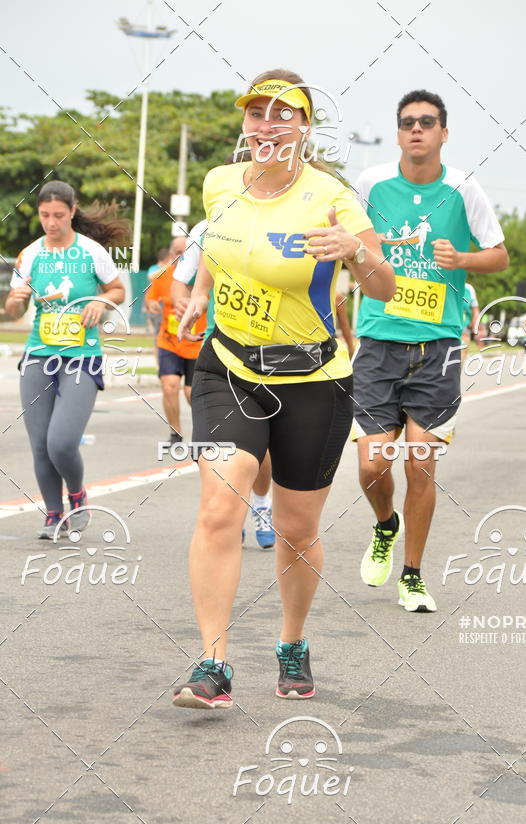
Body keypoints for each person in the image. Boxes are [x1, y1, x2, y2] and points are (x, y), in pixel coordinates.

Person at [172, 68, 395, 709]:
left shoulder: (333, 196)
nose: (266, 124)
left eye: (282, 113)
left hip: (313, 380)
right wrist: (202, 294)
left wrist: (357, 250)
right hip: (230, 366)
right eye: (256, 112)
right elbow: (221, 248)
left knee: (297, 528)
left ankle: (292, 643)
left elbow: (380, 288)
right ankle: (214, 663)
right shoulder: (219, 184)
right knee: (220, 508)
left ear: (304, 126)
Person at [354, 89, 508, 613]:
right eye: (407, 122)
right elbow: (344, 241)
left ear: (445, 133)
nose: (416, 130)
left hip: (437, 346)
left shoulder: (464, 189)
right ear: (398, 132)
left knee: (420, 463)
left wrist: (461, 256)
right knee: (373, 467)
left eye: (427, 122)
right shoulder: (370, 184)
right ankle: (384, 524)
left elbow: (500, 256)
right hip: (377, 342)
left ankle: (413, 575)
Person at [5, 180, 127, 538]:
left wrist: (99, 302)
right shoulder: (29, 254)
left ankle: (77, 495)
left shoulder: (90, 252)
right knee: (40, 444)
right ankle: (53, 514)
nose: (51, 222)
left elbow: (116, 289)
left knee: (61, 442)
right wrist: (17, 298)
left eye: (59, 215)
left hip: (81, 357)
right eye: (45, 215)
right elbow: (13, 310)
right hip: (38, 355)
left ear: (73, 212)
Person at [171, 213, 276, 549]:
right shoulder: (207, 228)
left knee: (264, 451)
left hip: (274, 352)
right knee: (221, 450)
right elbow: (180, 281)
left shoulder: (290, 217)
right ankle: (231, 509)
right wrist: (182, 301)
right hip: (219, 351)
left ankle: (261, 503)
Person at [145, 236, 205, 446]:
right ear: (171, 255)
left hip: (197, 343)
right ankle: (175, 432)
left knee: (191, 392)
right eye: (177, 252)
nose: (182, 256)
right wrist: (151, 303)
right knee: (170, 385)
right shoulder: (164, 275)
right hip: (169, 341)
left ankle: (203, 432)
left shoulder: (204, 274)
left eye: (186, 251)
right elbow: (151, 296)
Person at [144, 247, 169, 337]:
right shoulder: (154, 268)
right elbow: (151, 277)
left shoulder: (169, 270)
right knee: (158, 334)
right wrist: (167, 267)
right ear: (167, 258)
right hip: (156, 304)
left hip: (166, 304)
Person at [461, 281, 479, 357]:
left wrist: (474, 325)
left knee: (461, 355)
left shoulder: (469, 288)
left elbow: (475, 309)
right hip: (447, 326)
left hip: (465, 326)